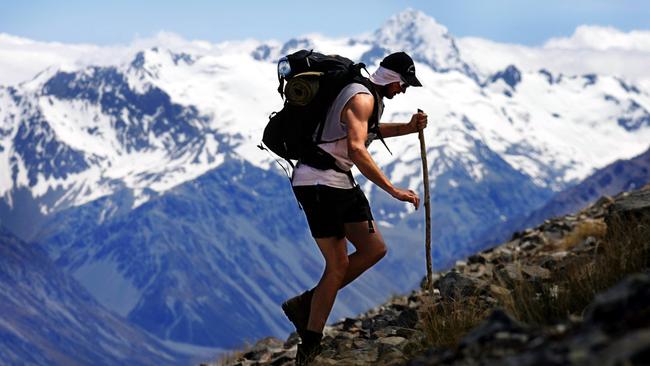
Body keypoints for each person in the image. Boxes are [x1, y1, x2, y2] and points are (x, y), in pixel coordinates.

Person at [282, 52, 428, 364]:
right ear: (393, 78)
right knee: (337, 265)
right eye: (403, 84)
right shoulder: (362, 98)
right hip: (322, 182)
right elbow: (357, 148)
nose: (403, 91)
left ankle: (308, 303)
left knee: (372, 249)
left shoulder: (367, 95)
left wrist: (408, 127)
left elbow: (368, 130)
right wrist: (393, 190)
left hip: (330, 181)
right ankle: (309, 346)